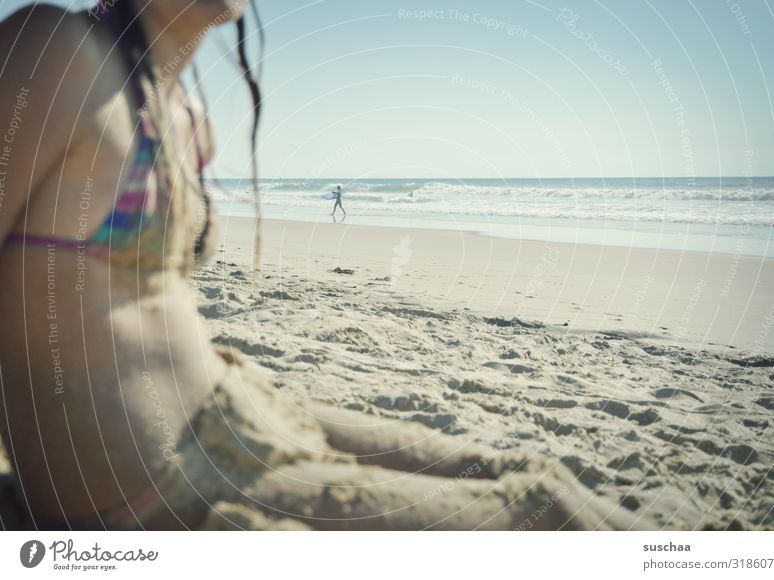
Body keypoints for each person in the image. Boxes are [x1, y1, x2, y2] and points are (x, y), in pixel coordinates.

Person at [0, 1, 637, 530]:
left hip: (240, 406)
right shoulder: (52, 50)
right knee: (543, 514)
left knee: (529, 473)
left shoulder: (191, 120)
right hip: (157, 491)